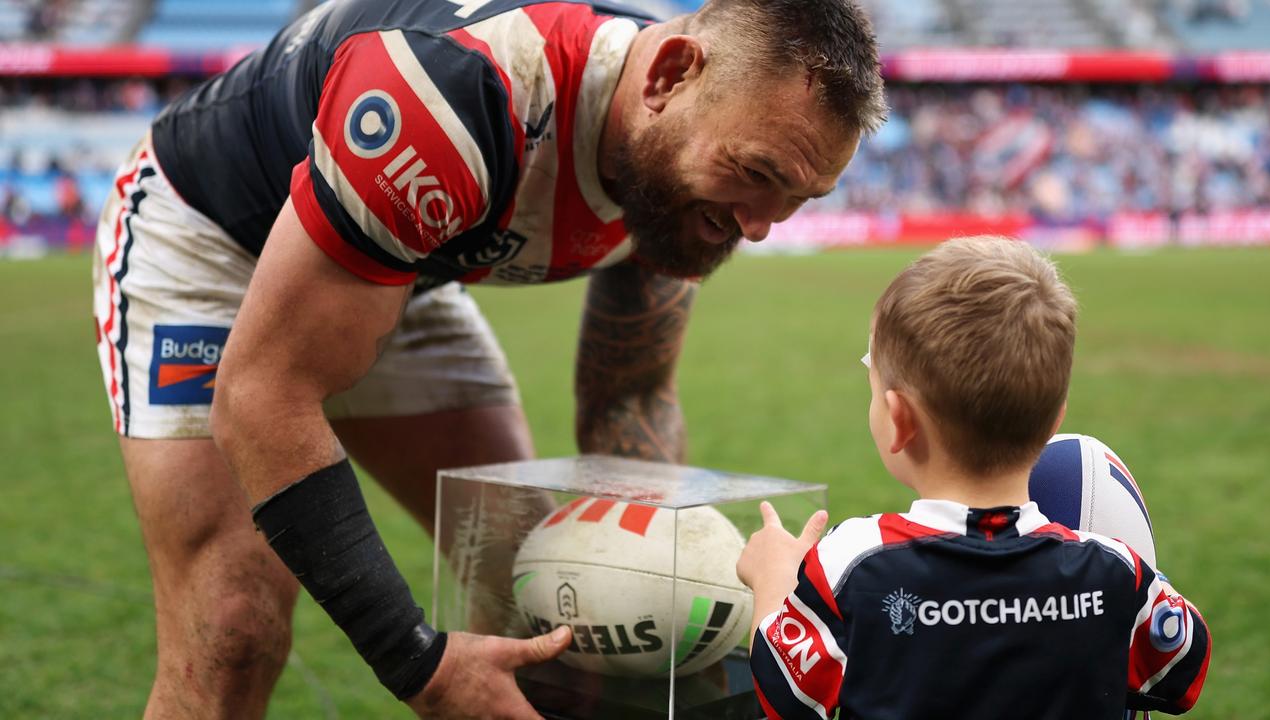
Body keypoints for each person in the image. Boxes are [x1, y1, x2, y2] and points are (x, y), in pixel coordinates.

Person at [89, 0, 887, 717]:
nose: (758, 227)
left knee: (550, 591)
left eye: (798, 200)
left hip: (398, 268)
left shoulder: (687, 155)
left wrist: (657, 589)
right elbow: (264, 394)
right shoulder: (459, 88)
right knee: (233, 625)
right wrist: (419, 663)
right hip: (211, 239)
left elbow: (629, 398)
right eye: (755, 176)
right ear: (668, 77)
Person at [737, 237, 1211, 719]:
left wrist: (772, 578)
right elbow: (1182, 671)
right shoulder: (1114, 571)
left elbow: (785, 697)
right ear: (1055, 421)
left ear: (899, 419)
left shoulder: (852, 564)